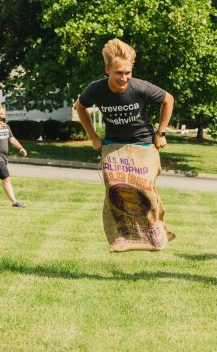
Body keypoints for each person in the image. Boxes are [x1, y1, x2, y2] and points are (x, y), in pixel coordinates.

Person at [74, 38, 175, 251]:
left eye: (128, 72)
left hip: (143, 142)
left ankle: (156, 232)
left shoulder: (140, 87)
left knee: (143, 188)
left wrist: (161, 133)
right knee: (114, 186)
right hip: (114, 143)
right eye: (119, 73)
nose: (124, 78)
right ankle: (123, 237)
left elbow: (168, 100)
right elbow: (80, 107)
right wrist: (93, 136)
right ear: (107, 70)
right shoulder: (96, 89)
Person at [0, 104, 27, 207]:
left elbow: (11, 139)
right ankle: (14, 202)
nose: (0, 115)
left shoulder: (6, 126)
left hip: (3, 157)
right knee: (6, 178)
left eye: (2, 114)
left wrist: (20, 148)